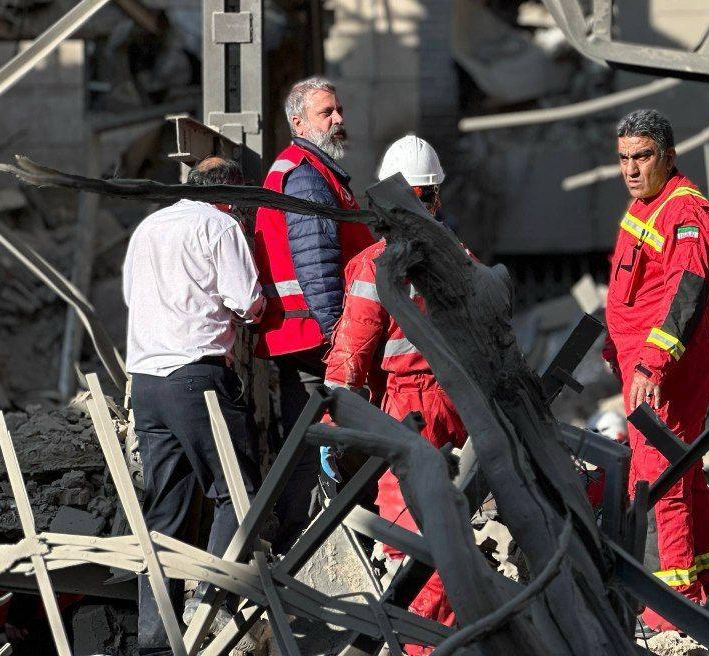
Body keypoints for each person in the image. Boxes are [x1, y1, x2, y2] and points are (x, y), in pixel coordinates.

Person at [603, 108, 709, 628]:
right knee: (681, 476)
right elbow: (636, 291)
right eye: (623, 158)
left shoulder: (684, 213)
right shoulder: (646, 204)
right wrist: (617, 346)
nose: (631, 169)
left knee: (657, 478)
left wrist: (651, 362)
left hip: (668, 368)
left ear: (668, 156)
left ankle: (674, 611)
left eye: (642, 157)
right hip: (644, 364)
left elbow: (686, 293)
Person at [321, 134, 464, 647]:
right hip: (462, 407)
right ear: (433, 196)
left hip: (408, 413)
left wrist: (331, 432)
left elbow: (350, 359)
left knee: (409, 543)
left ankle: (424, 643)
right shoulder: (459, 257)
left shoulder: (376, 265)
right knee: (450, 530)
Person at [122, 156, 264, 656]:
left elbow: (132, 296)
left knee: (169, 506)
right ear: (232, 195)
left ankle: (156, 637)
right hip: (196, 377)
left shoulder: (149, 226)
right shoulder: (220, 224)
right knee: (237, 492)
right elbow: (247, 301)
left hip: (146, 382)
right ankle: (210, 602)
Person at [253, 77, 375, 552]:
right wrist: (336, 338)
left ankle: (304, 538)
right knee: (323, 441)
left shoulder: (309, 171)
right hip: (313, 335)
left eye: (339, 109)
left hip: (299, 334)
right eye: (327, 113)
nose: (339, 119)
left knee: (308, 441)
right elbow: (317, 264)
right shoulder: (305, 174)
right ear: (299, 123)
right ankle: (311, 541)